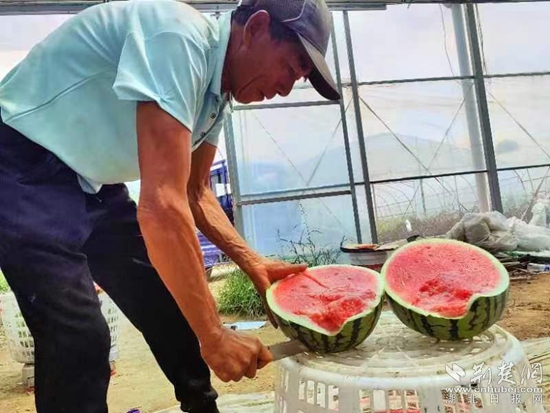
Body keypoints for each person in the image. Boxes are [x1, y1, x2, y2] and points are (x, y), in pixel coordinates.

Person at [0, 0, 340, 411]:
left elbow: (196, 191)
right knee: (79, 337)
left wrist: (252, 262)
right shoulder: (177, 37)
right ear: (256, 28)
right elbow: (162, 205)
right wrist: (214, 336)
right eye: (290, 67)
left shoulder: (215, 94)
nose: (286, 88)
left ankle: (202, 406)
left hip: (89, 179)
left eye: (297, 79)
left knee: (172, 298)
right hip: (20, 164)